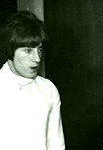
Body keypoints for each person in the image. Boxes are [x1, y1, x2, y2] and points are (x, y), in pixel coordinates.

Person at [0, 10, 65, 150]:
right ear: (10, 50)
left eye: (39, 50)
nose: (37, 58)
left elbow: (56, 144)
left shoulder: (48, 89)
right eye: (28, 50)